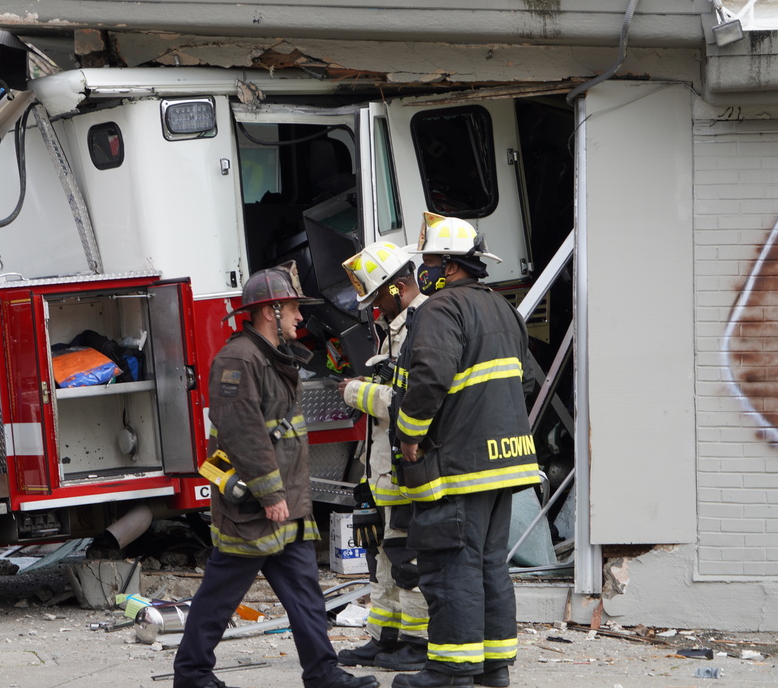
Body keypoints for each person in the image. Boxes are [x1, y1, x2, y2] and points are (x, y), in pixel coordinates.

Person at [172, 262, 379, 688]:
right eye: (292, 309)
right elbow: (242, 432)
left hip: (288, 504)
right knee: (219, 597)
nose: (300, 318)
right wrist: (269, 494)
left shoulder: (271, 357)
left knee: (306, 595)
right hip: (255, 508)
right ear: (271, 312)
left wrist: (285, 497)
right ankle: (191, 675)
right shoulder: (237, 360)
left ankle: (323, 673)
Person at [389, 213, 540, 688]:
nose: (424, 270)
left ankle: (451, 673)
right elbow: (530, 381)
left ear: (451, 266)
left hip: (459, 465)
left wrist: (410, 436)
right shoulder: (502, 308)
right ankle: (493, 670)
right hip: (506, 463)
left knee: (451, 564)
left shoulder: (440, 309)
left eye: (430, 260)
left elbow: (430, 377)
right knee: (489, 565)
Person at [335, 242, 430, 672]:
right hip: (384, 473)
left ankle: (416, 642)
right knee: (384, 560)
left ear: (397, 287)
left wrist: (357, 391)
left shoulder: (424, 324)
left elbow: (411, 400)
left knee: (409, 561)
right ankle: (384, 638)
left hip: (409, 469)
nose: (374, 309)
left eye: (378, 298)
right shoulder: (396, 327)